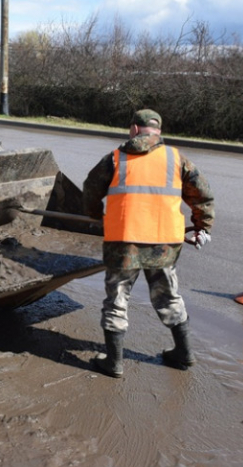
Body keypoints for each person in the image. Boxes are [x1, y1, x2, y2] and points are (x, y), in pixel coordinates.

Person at [82, 109, 215, 377]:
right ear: (158, 132)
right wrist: (203, 226)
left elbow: (90, 190)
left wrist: (98, 215)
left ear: (133, 129)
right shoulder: (176, 159)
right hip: (163, 242)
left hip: (124, 242)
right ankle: (184, 354)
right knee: (168, 296)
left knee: (117, 298)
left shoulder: (115, 158)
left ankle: (114, 362)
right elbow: (202, 196)